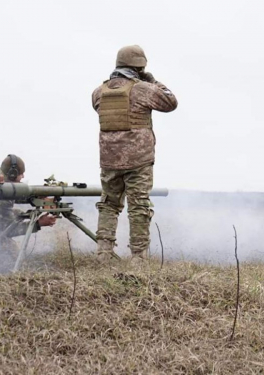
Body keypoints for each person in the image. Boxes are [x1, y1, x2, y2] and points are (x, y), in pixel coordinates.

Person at [92, 45, 178, 262]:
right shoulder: (142, 89)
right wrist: (153, 82)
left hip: (109, 159)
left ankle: (103, 253)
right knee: (138, 205)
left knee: (108, 204)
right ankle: (139, 257)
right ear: (140, 65)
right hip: (138, 160)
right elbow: (170, 102)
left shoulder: (98, 91)